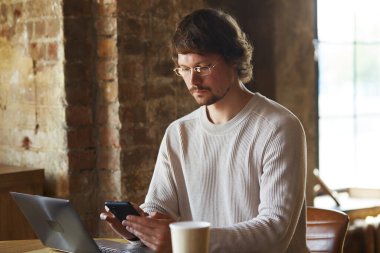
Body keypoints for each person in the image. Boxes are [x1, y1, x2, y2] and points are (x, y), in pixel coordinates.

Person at [101, 8, 308, 253]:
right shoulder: (178, 133)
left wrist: (185, 241)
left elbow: (274, 233)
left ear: (234, 59)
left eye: (203, 67)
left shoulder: (279, 128)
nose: (193, 81)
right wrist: (138, 228)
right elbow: (160, 210)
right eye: (184, 69)